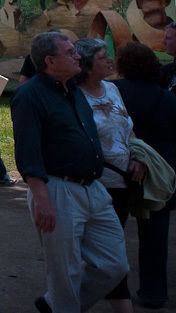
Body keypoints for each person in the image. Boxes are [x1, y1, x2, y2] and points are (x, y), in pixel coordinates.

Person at [12, 30, 130, 313]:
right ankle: (63, 304)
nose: (78, 56)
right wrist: (42, 198)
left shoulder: (73, 89)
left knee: (115, 266)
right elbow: (28, 150)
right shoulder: (30, 95)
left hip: (94, 187)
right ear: (50, 61)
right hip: (57, 189)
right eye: (70, 52)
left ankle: (57, 305)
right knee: (65, 272)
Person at [75, 37, 145, 311]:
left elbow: (128, 128)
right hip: (95, 186)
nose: (110, 60)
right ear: (87, 65)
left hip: (123, 184)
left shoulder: (113, 89)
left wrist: (137, 157)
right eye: (103, 56)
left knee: (111, 255)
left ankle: (63, 303)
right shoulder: (74, 96)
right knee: (109, 256)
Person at [114, 41, 176, 309]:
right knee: (155, 237)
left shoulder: (115, 91)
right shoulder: (167, 98)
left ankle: (113, 290)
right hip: (157, 175)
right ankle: (154, 292)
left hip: (119, 171)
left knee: (111, 234)